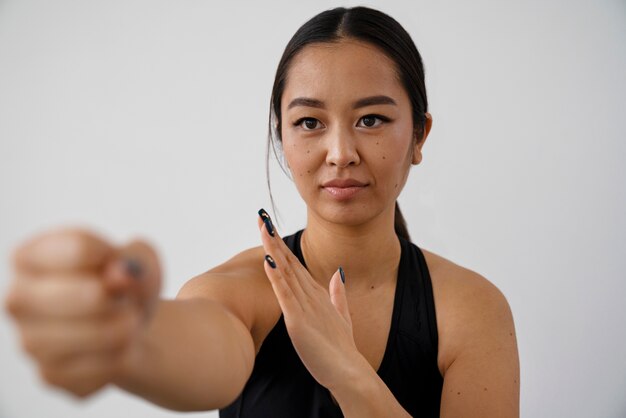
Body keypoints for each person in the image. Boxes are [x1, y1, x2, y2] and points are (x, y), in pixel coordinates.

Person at [4, 6, 520, 418]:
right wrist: (126, 339)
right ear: (282, 137)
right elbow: (193, 348)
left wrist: (348, 374)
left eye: (370, 118)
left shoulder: (471, 310)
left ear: (419, 135)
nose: (340, 152)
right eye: (310, 123)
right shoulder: (238, 291)